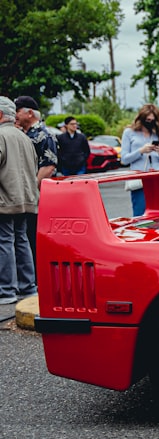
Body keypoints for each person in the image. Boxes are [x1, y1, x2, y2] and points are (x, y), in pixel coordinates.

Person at [0, 96, 39, 304]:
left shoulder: (1, 136)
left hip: (5, 199)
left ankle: (7, 290)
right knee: (21, 240)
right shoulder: (24, 137)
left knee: (5, 241)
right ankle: (28, 287)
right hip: (26, 199)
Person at [12, 95, 56, 266]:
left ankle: (37, 278)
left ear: (29, 113)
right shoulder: (26, 133)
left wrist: (31, 190)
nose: (15, 115)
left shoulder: (44, 134)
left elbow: (49, 166)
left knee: (32, 236)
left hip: (38, 196)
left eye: (17, 111)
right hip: (29, 195)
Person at [120, 104, 159, 216]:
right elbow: (124, 159)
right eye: (148, 120)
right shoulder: (129, 132)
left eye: (153, 120)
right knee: (140, 214)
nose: (150, 122)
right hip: (140, 180)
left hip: (158, 179)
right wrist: (140, 151)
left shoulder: (158, 134)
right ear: (142, 118)